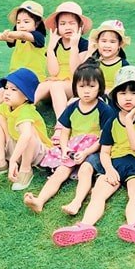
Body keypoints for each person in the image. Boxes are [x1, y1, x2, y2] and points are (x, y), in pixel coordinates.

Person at [51, 66, 135, 247]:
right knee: (98, 194)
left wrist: (129, 119)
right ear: (115, 96)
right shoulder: (111, 121)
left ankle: (134, 225)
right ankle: (84, 226)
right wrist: (108, 169)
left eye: (133, 93)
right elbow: (105, 152)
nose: (128, 98)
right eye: (123, 93)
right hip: (114, 163)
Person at [23, 59, 115, 214]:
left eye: (91, 86)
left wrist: (86, 153)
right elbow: (65, 131)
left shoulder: (104, 109)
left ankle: (76, 202)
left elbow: (103, 138)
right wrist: (65, 148)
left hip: (94, 150)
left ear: (100, 87)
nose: (86, 91)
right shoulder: (72, 107)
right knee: (61, 171)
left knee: (85, 171)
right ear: (75, 88)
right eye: (82, 86)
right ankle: (40, 200)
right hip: (74, 146)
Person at [0, 68, 49, 191]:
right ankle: (0, 162)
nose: (7, 93)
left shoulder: (26, 110)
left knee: (28, 131)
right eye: (7, 88)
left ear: (26, 96)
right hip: (17, 147)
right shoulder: (5, 106)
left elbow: (26, 136)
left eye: (14, 90)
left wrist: (13, 161)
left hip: (36, 153)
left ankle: (25, 169)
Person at [0, 0, 48, 116]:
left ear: (36, 24)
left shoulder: (38, 37)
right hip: (14, 78)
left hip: (31, 80)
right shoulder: (17, 38)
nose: (21, 25)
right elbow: (3, 37)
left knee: (2, 92)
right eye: (18, 22)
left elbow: (22, 35)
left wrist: (9, 34)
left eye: (26, 21)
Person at [37, 2, 92, 142]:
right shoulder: (57, 44)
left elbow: (76, 72)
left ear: (80, 26)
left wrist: (74, 46)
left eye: (72, 23)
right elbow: (53, 72)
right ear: (57, 27)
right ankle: (21, 107)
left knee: (56, 85)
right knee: (43, 85)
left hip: (75, 84)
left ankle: (61, 125)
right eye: (62, 24)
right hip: (58, 82)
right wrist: (50, 48)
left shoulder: (83, 44)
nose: (67, 27)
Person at [83, 18, 129, 91]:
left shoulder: (123, 65)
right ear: (97, 42)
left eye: (112, 42)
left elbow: (126, 88)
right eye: (104, 41)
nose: (107, 45)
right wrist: (89, 53)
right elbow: (82, 76)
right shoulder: (94, 63)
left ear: (119, 45)